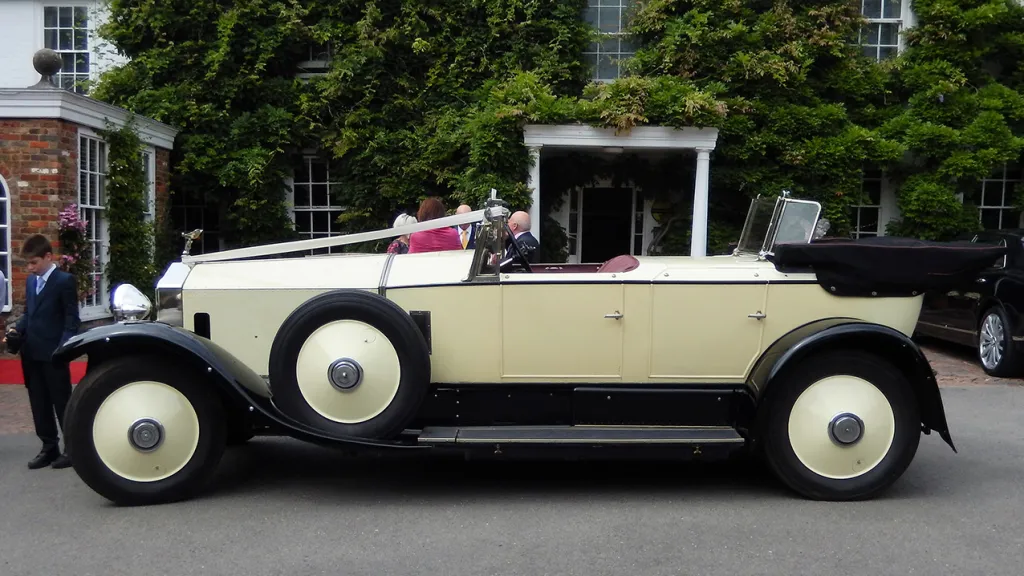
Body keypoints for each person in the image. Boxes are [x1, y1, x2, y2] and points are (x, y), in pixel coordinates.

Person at [3, 234, 81, 470]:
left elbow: (71, 320)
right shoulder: (30, 281)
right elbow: (29, 313)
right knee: (38, 402)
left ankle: (73, 448)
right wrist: (17, 328)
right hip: (31, 351)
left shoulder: (64, 281)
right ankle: (49, 447)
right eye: (27, 263)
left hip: (54, 353)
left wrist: (64, 347)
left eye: (34, 262)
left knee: (61, 401)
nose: (30, 268)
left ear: (48, 256)